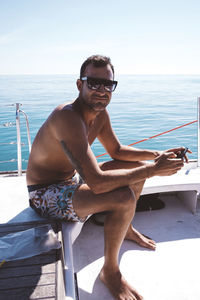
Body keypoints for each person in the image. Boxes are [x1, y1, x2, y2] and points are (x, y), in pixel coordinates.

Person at [26, 55, 189, 300]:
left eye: (108, 84)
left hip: (72, 180)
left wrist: (157, 155)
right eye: (93, 83)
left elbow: (117, 151)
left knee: (130, 165)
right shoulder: (67, 117)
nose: (102, 90)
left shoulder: (100, 115)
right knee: (123, 196)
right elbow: (98, 183)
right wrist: (153, 169)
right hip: (45, 193)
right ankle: (110, 272)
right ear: (80, 85)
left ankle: (127, 228)